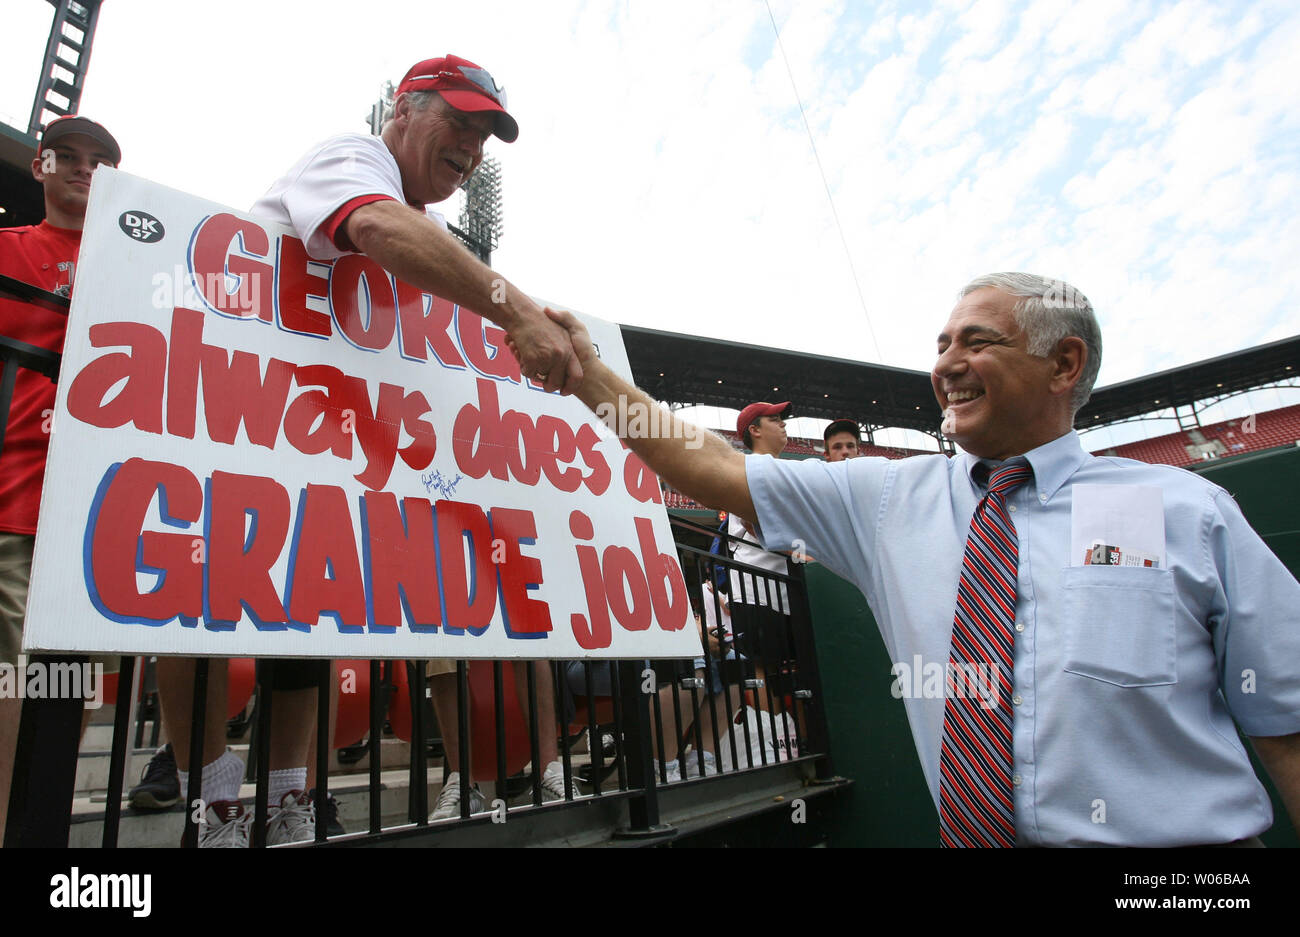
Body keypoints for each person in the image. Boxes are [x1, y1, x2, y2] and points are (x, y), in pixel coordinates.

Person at [547, 271, 1300, 847]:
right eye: (941, 345)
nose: (947, 364)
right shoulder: (884, 498)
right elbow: (708, 467)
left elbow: (1288, 723)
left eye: (976, 341)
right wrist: (587, 375)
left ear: (1064, 362)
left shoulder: (1185, 510)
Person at [152, 54, 583, 842]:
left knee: (308, 620)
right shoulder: (354, 158)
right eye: (457, 121)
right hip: (232, 411)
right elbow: (377, 228)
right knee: (199, 602)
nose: (471, 148)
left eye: (484, 135)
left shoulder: (433, 227)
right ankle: (211, 805)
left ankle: (286, 799)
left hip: (318, 437)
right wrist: (514, 309)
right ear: (401, 113)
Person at [0, 116, 123, 844]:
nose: (82, 168)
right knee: (12, 681)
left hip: (94, 520)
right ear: (40, 165)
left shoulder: (136, 265)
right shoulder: (8, 250)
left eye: (98, 160)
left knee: (67, 691)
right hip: (17, 504)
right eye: (67, 156)